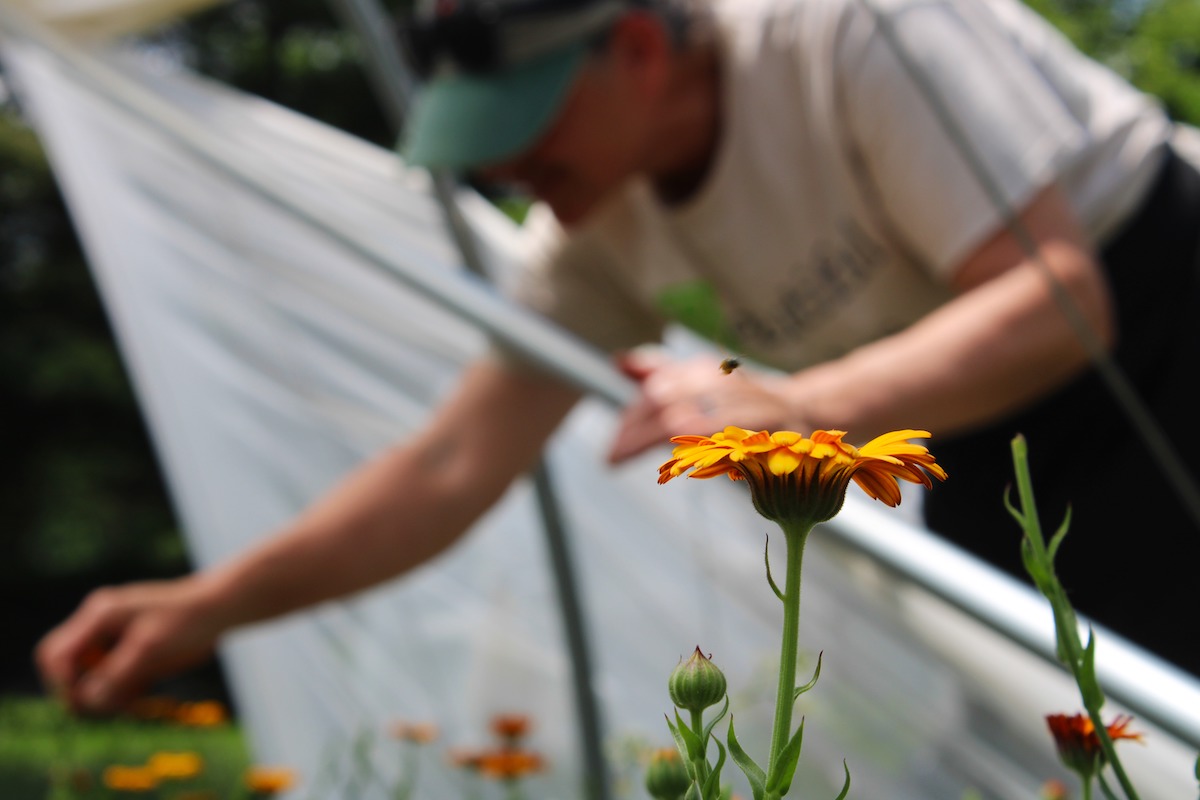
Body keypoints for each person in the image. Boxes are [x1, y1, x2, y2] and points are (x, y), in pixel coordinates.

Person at [37, 0, 1200, 712]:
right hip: (992, 439)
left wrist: (794, 406)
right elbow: (451, 467)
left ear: (636, 47)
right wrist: (202, 606)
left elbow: (1060, 306)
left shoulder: (846, 31)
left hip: (1170, 317)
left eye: (529, 123)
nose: (508, 171)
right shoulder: (594, 230)